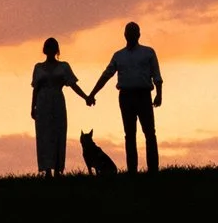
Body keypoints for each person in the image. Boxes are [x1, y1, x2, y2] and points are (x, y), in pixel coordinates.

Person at [86, 21, 163, 172]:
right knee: (130, 134)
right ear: (125, 35)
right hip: (126, 96)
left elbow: (157, 75)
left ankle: (153, 169)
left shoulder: (148, 52)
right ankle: (132, 170)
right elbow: (106, 75)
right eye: (129, 33)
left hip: (143, 95)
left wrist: (159, 95)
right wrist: (92, 93)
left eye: (134, 32)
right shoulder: (118, 55)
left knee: (149, 133)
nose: (131, 35)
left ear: (139, 35)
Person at [29, 36, 91, 176]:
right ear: (45, 50)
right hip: (43, 104)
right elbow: (35, 88)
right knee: (44, 135)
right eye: (48, 47)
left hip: (57, 102)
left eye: (53, 48)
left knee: (58, 134)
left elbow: (73, 85)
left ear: (56, 50)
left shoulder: (64, 66)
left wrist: (86, 97)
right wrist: (33, 107)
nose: (50, 50)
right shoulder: (38, 68)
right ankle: (47, 170)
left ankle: (57, 169)